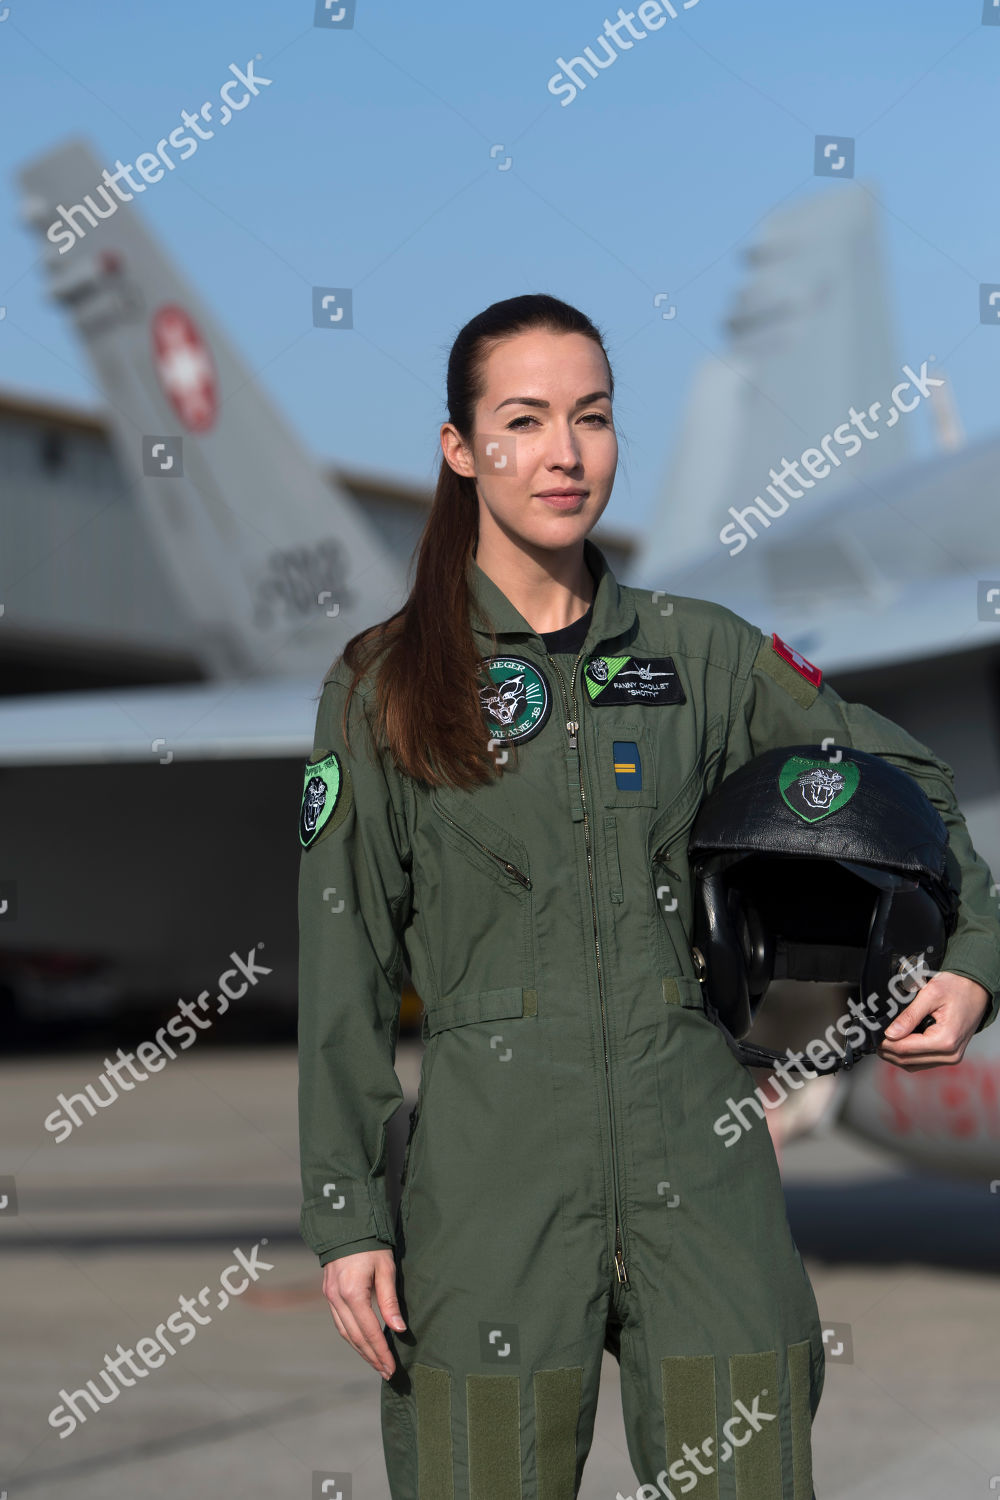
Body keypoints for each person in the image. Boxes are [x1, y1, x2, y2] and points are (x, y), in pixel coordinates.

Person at [296, 293, 999, 1500]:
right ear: (462, 451)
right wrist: (348, 1212)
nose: (565, 452)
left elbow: (898, 779)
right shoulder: (384, 684)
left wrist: (973, 952)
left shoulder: (707, 656)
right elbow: (342, 958)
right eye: (523, 419)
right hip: (490, 1184)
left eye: (594, 416)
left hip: (705, 1163)